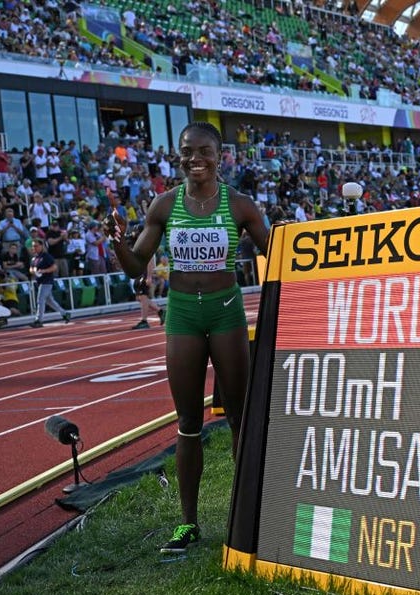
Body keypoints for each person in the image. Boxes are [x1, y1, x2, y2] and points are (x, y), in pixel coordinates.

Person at [105, 122, 269, 554]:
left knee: (239, 417)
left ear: (220, 156)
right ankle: (189, 524)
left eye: (204, 151)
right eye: (186, 151)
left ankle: (247, 513)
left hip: (226, 312)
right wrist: (117, 241)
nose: (195, 158)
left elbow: (279, 251)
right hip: (182, 316)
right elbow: (135, 266)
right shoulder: (163, 205)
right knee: (188, 424)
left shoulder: (240, 205)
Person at [29, 239, 71, 328]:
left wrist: (44, 271)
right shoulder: (34, 258)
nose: (34, 248)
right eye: (33, 246)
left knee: (40, 300)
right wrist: (34, 271)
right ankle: (65, 313)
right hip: (39, 282)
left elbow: (54, 267)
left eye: (36, 246)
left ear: (41, 246)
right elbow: (31, 268)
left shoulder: (46, 256)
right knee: (50, 301)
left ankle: (38, 320)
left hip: (47, 281)